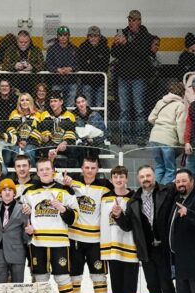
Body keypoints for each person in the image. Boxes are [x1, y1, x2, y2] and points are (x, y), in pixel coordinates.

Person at [113, 165, 179, 293]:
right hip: (147, 251)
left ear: (154, 176)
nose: (145, 179)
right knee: (153, 287)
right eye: (142, 177)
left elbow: (185, 185)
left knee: (167, 286)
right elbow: (128, 226)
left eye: (148, 175)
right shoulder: (134, 200)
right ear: (138, 179)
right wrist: (119, 215)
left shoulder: (167, 191)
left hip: (164, 249)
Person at [21, 158, 79, 293]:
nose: (45, 172)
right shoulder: (29, 192)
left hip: (59, 242)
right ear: (37, 172)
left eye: (48, 169)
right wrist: (27, 223)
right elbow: (23, 216)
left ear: (53, 170)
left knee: (63, 278)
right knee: (40, 279)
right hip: (38, 242)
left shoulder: (66, 191)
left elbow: (74, 218)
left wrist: (62, 209)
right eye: (41, 169)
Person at [61, 157, 112, 293]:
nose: (90, 170)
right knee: (74, 277)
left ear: (97, 169)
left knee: (99, 275)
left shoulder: (105, 186)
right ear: (82, 168)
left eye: (93, 168)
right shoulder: (72, 184)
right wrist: (65, 181)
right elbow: (51, 178)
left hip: (96, 240)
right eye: (87, 167)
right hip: (75, 239)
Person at [100, 166, 138, 293]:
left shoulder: (134, 197)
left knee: (130, 286)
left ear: (126, 178)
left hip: (130, 248)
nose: (119, 180)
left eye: (121, 177)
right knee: (117, 286)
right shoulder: (105, 198)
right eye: (115, 177)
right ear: (112, 180)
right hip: (112, 249)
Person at [111, 10, 154, 146]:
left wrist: (125, 44)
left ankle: (140, 136)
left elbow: (142, 52)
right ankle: (125, 136)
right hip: (123, 77)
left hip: (138, 78)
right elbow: (114, 53)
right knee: (124, 110)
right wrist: (116, 43)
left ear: (139, 21)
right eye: (129, 20)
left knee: (139, 110)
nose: (131, 22)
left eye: (134, 20)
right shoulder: (122, 33)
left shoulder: (146, 36)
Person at [0, 178, 30, 283]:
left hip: (17, 252)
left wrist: (29, 233)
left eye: (10, 190)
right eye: (4, 190)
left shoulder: (22, 208)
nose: (7, 192)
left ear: (14, 193)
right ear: (0, 193)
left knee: (17, 286)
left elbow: (26, 231)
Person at [148, 81, 187, 185]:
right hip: (168, 139)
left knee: (159, 166)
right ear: (182, 93)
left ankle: (154, 191)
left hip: (154, 138)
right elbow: (181, 125)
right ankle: (164, 193)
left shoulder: (160, 102)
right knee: (170, 169)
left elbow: (151, 118)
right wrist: (182, 142)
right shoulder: (180, 105)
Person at [37, 90, 77, 167]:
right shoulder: (45, 115)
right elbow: (43, 130)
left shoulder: (69, 115)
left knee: (73, 150)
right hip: (50, 143)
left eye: (55, 101)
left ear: (61, 102)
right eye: (51, 101)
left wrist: (65, 142)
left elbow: (71, 131)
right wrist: (46, 137)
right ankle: (48, 172)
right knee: (45, 148)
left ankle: (70, 174)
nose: (52, 103)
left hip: (64, 143)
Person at [77, 26, 109, 109]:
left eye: (95, 36)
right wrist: (96, 61)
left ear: (99, 37)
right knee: (88, 107)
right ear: (87, 37)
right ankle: (89, 122)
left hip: (100, 82)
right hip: (87, 82)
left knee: (99, 107)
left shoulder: (105, 48)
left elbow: (104, 66)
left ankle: (97, 122)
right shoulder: (83, 47)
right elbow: (82, 65)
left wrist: (90, 61)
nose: (93, 38)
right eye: (91, 36)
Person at [46, 26, 78, 106]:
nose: (63, 37)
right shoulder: (52, 49)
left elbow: (79, 64)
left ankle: (68, 118)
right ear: (57, 36)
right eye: (61, 35)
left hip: (71, 82)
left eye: (65, 35)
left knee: (70, 106)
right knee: (56, 105)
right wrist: (57, 70)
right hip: (57, 82)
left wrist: (70, 68)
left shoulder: (74, 49)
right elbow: (48, 65)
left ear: (69, 36)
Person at [73, 94, 107, 163]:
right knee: (81, 148)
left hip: (95, 142)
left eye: (83, 101)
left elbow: (104, 132)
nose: (81, 104)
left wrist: (93, 140)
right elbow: (72, 131)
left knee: (93, 148)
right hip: (79, 142)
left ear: (86, 102)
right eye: (78, 102)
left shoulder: (95, 115)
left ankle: (95, 169)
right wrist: (83, 140)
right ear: (76, 104)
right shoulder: (73, 116)